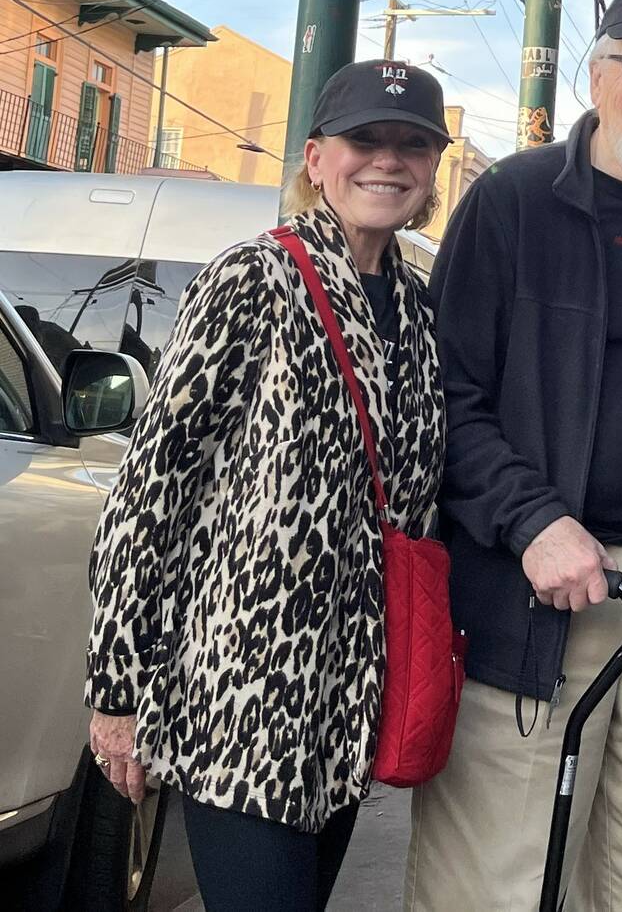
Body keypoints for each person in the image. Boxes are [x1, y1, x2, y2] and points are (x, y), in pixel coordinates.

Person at [407, 0, 622, 912]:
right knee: (500, 877)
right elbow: (448, 395)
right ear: (598, 72)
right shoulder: (512, 202)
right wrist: (533, 520)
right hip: (531, 585)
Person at [86, 59, 452, 912]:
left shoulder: (421, 306)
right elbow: (150, 487)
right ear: (317, 157)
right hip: (240, 696)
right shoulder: (253, 278)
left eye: (412, 145)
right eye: (365, 140)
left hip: (348, 706)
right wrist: (116, 690)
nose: (387, 161)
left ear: (434, 168)